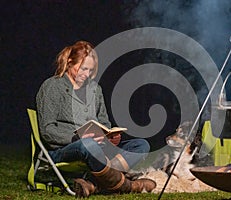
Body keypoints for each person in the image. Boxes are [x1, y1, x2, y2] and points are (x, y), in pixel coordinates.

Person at [36, 41, 156, 197]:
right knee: (87, 144)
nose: (86, 74)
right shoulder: (53, 86)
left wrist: (111, 137)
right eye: (83, 68)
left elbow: (104, 122)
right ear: (69, 62)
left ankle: (93, 184)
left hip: (98, 147)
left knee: (141, 145)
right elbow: (47, 130)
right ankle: (129, 185)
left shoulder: (95, 90)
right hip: (64, 149)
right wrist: (76, 137)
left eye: (90, 70)